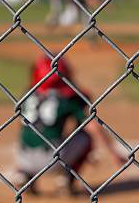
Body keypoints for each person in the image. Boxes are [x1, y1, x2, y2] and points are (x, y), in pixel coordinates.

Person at [14, 55, 125, 195]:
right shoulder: (69, 96)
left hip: (23, 157)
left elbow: (22, 126)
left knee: (33, 133)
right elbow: (92, 126)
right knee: (85, 137)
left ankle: (24, 175)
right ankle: (66, 178)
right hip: (53, 159)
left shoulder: (28, 93)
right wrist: (114, 154)